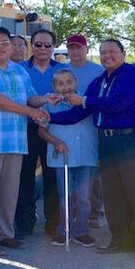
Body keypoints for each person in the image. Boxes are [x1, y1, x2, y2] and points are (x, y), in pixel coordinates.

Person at [48, 39, 135, 260]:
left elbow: (117, 103)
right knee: (114, 195)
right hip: (108, 142)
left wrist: (84, 100)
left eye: (112, 51)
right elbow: (79, 112)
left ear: (123, 53)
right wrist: (48, 116)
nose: (107, 56)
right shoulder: (100, 80)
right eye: (103, 52)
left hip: (134, 141)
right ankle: (122, 241)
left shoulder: (133, 75)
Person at [0, 27, 54, 256]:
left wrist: (46, 100)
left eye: (5, 43)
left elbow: (31, 98)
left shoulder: (19, 71)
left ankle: (6, 234)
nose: (0, 47)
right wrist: (31, 112)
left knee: (9, 192)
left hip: (15, 141)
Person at [15, 29, 65, 239]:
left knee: (52, 177)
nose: (42, 49)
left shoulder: (63, 70)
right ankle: (24, 223)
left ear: (53, 47)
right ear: (31, 46)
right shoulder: (18, 69)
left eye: (47, 45)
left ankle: (53, 225)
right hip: (26, 128)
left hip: (54, 129)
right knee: (24, 176)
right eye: (38, 44)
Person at [38, 69, 97, 247]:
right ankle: (64, 231)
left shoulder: (86, 100)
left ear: (76, 82)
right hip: (62, 157)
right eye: (60, 84)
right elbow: (41, 131)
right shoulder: (49, 105)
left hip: (86, 155)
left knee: (84, 196)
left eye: (69, 82)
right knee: (65, 196)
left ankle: (82, 231)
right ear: (54, 86)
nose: (66, 87)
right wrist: (56, 142)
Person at [66, 34, 106, 228]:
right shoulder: (62, 69)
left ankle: (96, 212)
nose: (75, 51)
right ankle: (74, 213)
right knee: (72, 172)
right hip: (68, 127)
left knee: (94, 173)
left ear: (86, 49)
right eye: (71, 48)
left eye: (79, 47)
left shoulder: (99, 71)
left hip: (92, 126)